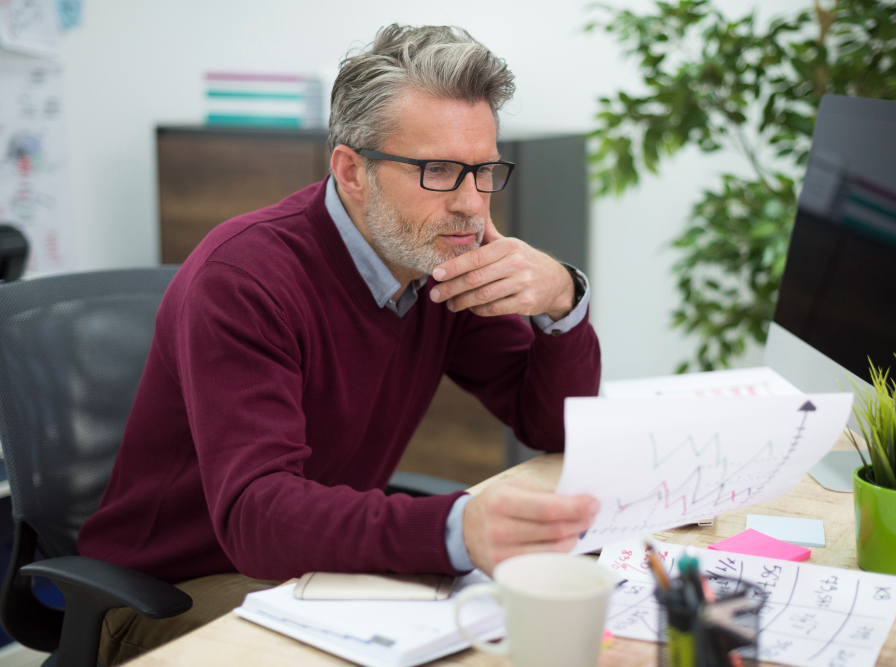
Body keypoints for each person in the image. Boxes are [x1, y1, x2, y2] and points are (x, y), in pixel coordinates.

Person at [78, 24, 601, 664]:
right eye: (438, 171)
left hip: (312, 565)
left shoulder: (439, 260)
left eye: (484, 170)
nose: (470, 204)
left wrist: (562, 301)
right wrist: (453, 526)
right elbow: (255, 514)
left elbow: (548, 422)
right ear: (352, 170)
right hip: (175, 588)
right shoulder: (244, 280)